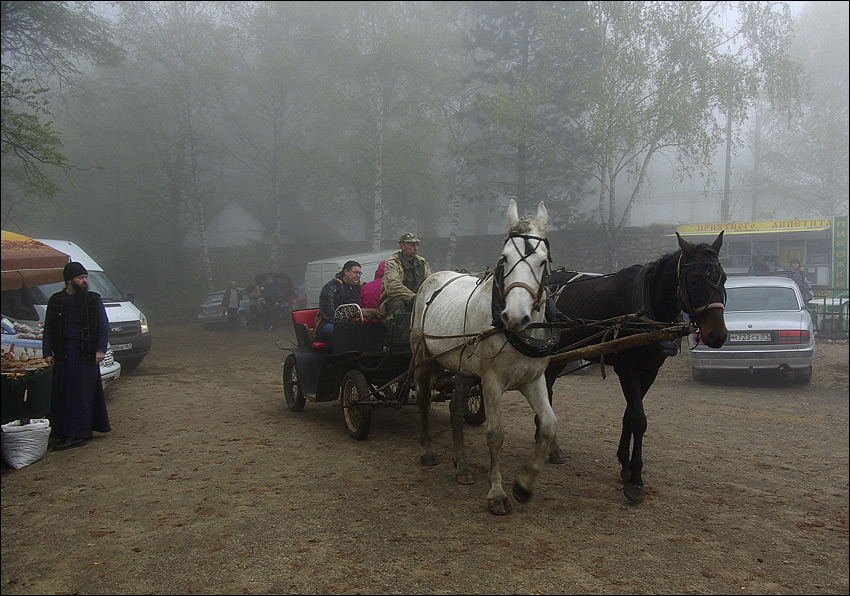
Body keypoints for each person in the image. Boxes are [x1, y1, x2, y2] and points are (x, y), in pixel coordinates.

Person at [42, 261, 111, 451]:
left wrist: (100, 349)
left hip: (86, 351)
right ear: (69, 280)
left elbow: (103, 326)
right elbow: (48, 328)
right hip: (64, 351)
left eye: (85, 278)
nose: (84, 281)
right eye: (81, 278)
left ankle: (78, 433)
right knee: (64, 392)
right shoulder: (56, 300)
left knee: (81, 393)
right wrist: (47, 352)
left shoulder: (92, 299)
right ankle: (64, 431)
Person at [378, 233, 432, 320]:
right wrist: (413, 298)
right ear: (402, 246)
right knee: (397, 303)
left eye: (417, 245)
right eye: (412, 245)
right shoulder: (393, 263)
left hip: (418, 300)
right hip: (397, 301)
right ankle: (397, 332)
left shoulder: (422, 262)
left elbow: (429, 283)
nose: (415, 248)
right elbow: (393, 287)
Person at [314, 260, 364, 351]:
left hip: (356, 321)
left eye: (360, 273)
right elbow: (326, 309)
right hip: (330, 322)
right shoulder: (331, 287)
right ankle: (339, 355)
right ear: (346, 272)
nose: (358, 276)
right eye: (355, 272)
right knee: (331, 330)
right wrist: (342, 323)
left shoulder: (363, 287)